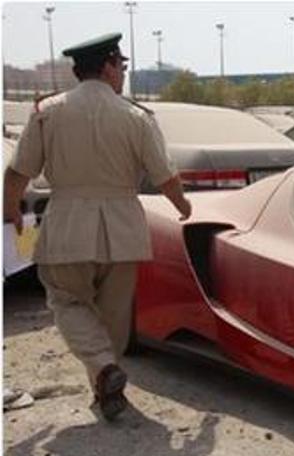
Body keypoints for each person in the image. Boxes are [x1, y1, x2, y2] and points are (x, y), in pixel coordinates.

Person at [3, 32, 191, 421]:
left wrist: (12, 212)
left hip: (68, 225)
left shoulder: (47, 112)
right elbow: (164, 176)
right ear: (107, 66)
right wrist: (183, 206)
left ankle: (105, 371)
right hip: (123, 230)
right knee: (113, 316)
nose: (123, 73)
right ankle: (106, 387)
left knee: (66, 301)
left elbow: (17, 172)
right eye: (121, 66)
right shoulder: (136, 116)